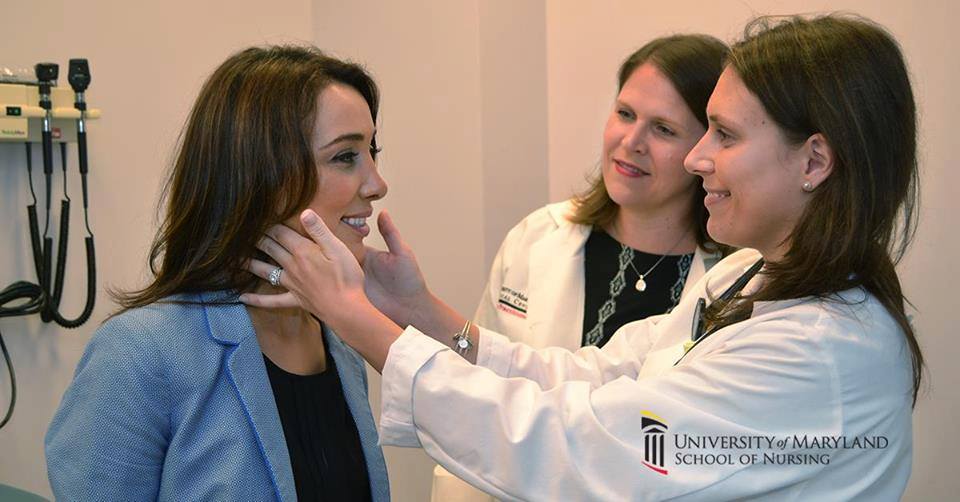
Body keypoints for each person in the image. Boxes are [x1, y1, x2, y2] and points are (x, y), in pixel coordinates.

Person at [245, 13, 923, 501]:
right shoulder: (746, 278)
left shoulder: (821, 351)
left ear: (814, 161)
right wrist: (418, 313)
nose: (695, 158)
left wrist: (355, 316)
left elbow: (590, 447)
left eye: (721, 133)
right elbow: (596, 378)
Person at [45, 46, 391, 501]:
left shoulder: (339, 341)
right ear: (260, 174)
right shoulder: (141, 353)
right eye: (345, 156)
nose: (377, 183)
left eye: (372, 150)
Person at [439, 34, 729, 501]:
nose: (631, 142)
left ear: (705, 150)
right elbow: (477, 391)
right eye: (625, 113)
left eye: (664, 129)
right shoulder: (538, 239)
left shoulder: (732, 275)